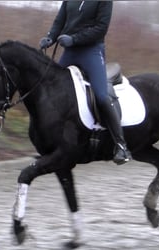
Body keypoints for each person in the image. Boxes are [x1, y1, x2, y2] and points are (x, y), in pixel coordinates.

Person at [39, 1, 132, 165]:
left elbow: (101, 28)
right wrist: (50, 37)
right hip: (70, 52)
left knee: (102, 96)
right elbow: (59, 21)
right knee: (51, 89)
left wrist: (74, 39)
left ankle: (121, 145)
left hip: (91, 51)